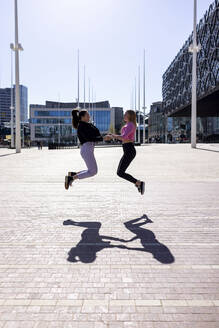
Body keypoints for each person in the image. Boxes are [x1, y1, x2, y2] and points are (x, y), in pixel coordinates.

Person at [65, 109, 109, 190]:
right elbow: (89, 138)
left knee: (92, 170)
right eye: (87, 115)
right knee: (93, 171)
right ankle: (71, 178)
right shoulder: (81, 126)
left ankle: (73, 175)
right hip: (86, 149)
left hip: (88, 149)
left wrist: (103, 137)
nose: (89, 116)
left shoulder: (87, 124)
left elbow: (96, 134)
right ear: (82, 117)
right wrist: (102, 138)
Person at [107, 110, 145, 195]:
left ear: (130, 116)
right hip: (127, 150)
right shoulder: (128, 125)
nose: (124, 115)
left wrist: (113, 136)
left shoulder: (130, 124)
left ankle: (139, 183)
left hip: (129, 150)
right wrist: (113, 135)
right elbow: (124, 137)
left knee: (120, 172)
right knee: (120, 172)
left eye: (125, 114)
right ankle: (138, 183)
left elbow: (124, 137)